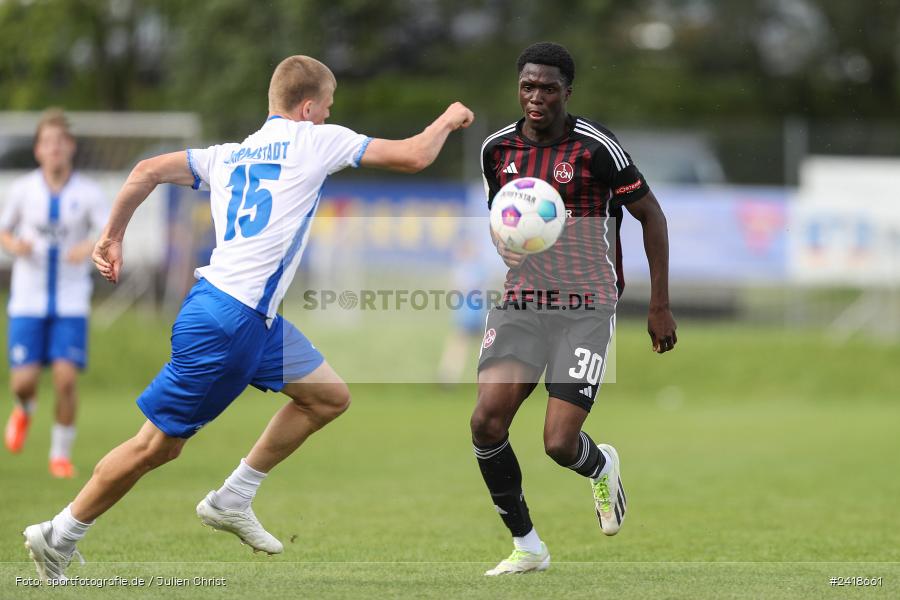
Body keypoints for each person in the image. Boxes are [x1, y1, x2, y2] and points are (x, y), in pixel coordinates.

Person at [22, 55, 474, 582]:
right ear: (307, 109)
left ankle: (234, 496)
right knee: (157, 446)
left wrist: (112, 234)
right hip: (230, 322)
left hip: (246, 317)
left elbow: (145, 171)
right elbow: (416, 156)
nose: (329, 118)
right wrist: (448, 119)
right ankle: (60, 533)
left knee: (328, 396)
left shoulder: (228, 155)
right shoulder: (313, 140)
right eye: (327, 109)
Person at [472, 42, 677, 575]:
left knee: (559, 445)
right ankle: (527, 546)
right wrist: (505, 246)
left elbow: (651, 217)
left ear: (567, 91)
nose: (535, 97)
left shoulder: (595, 148)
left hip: (586, 306)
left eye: (547, 88)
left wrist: (659, 306)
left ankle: (600, 465)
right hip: (522, 301)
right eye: (527, 87)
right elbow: (506, 220)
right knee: (487, 422)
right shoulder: (497, 150)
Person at [1, 109, 107, 478]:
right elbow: (4, 231)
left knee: (65, 379)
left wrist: (89, 246)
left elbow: (108, 232)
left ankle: (60, 455)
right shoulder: (22, 190)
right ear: (38, 150)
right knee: (24, 382)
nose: (55, 149)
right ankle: (24, 408)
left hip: (70, 299)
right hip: (27, 299)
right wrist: (16, 246)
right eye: (48, 143)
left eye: (61, 142)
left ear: (71, 148)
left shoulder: (89, 192)